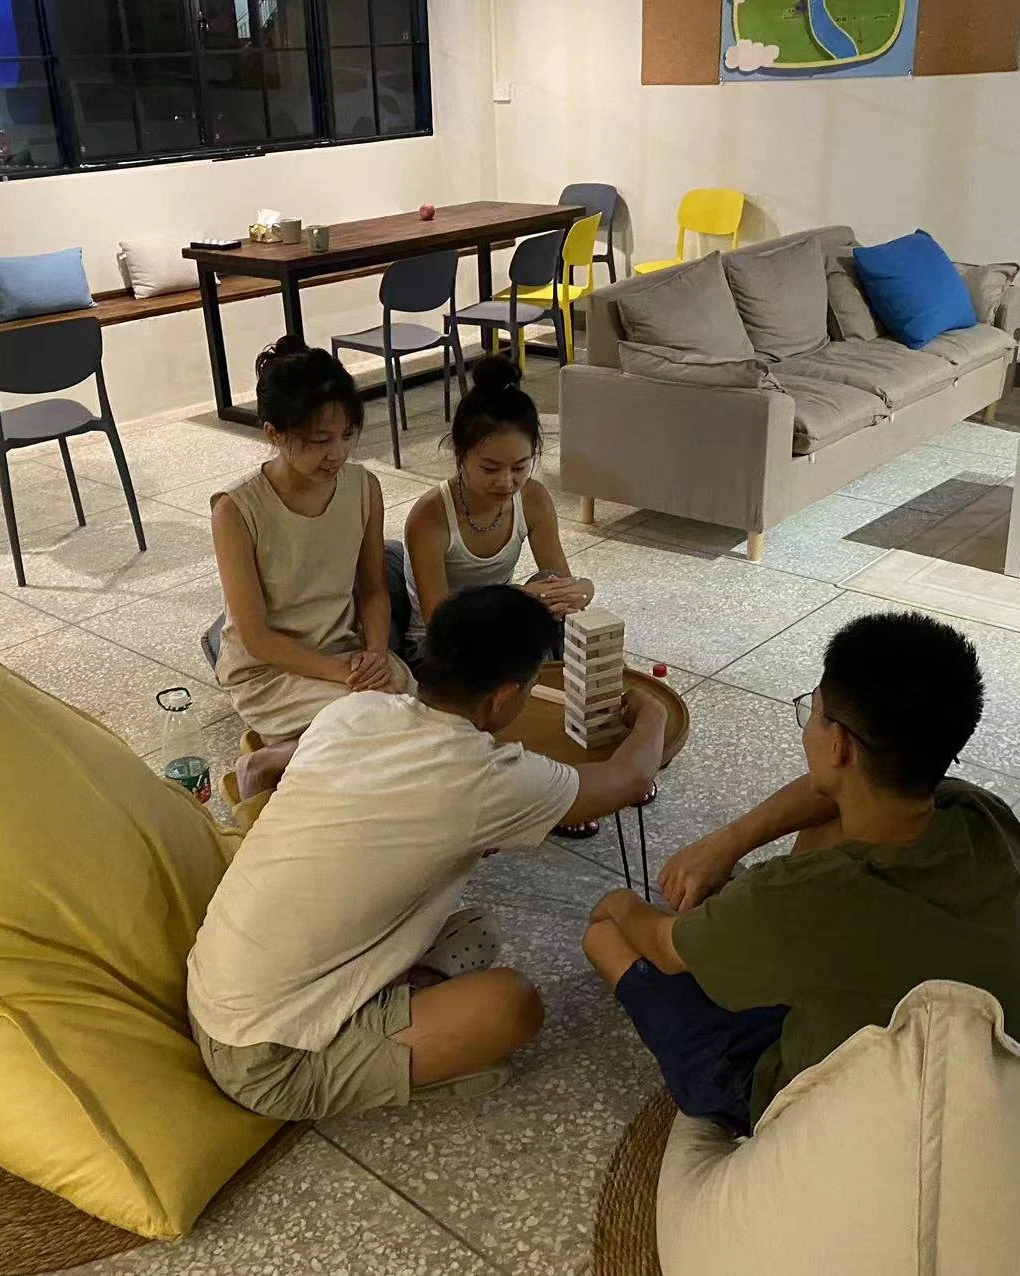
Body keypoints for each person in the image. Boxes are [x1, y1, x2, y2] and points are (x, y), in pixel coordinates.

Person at [187, 584, 667, 1122]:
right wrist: (651, 714)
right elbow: (630, 777)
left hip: (213, 987)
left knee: (476, 930)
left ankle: (383, 1013)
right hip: (267, 1060)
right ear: (505, 696)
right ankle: (378, 1054)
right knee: (513, 1005)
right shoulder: (485, 777)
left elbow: (292, 777)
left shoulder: (355, 713)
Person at [582, 611, 1020, 1139]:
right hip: (998, 1102)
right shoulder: (985, 817)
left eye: (814, 710)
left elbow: (667, 950)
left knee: (606, 938)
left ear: (840, 745)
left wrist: (620, 902)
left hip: (835, 1122)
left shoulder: (796, 900)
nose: (809, 722)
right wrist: (727, 842)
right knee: (826, 830)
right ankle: (745, 954)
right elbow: (828, 792)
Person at [211, 336, 414, 800]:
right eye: (319, 440)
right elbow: (255, 637)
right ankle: (261, 764)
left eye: (347, 436)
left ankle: (293, 751)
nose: (337, 453)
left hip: (343, 652)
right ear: (274, 434)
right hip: (270, 670)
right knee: (376, 720)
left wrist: (377, 654)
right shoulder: (237, 511)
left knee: (413, 709)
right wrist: (339, 673)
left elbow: (373, 591)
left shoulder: (364, 488)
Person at [403, 355, 594, 660]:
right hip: (441, 646)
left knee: (561, 610)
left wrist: (580, 591)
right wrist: (515, 599)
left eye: (520, 466)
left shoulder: (533, 499)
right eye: (490, 469)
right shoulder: (430, 518)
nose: (507, 482)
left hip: (498, 622)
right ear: (459, 453)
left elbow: (561, 579)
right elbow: (439, 624)